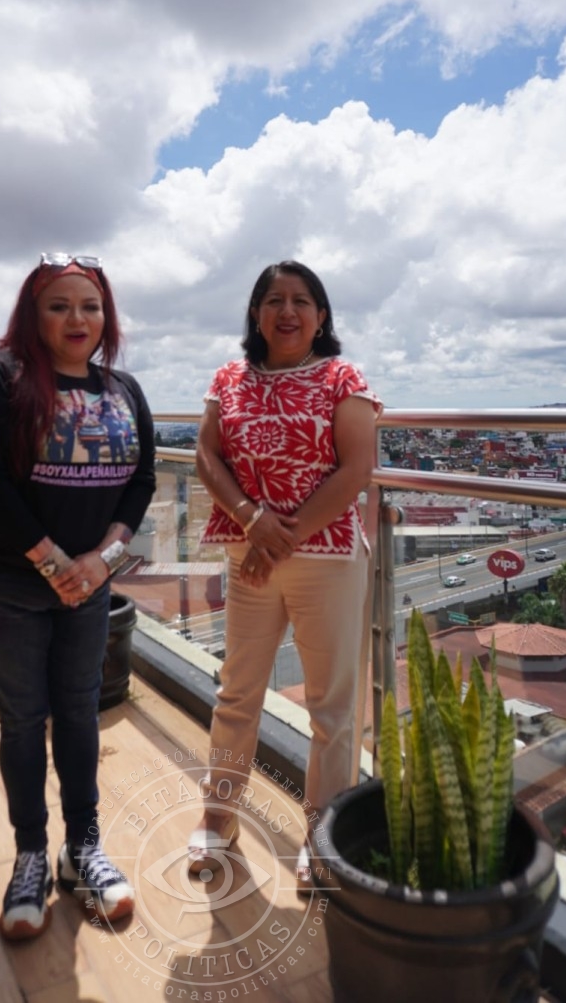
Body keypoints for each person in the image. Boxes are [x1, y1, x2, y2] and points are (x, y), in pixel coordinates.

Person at [0, 253, 156, 941]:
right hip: (8, 579)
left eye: (90, 306)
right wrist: (53, 563)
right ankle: (31, 856)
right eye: (59, 305)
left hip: (89, 584)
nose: (78, 318)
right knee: (21, 717)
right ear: (32, 315)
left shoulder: (123, 388)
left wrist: (101, 562)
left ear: (106, 317)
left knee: (78, 710)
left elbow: (141, 483)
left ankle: (82, 849)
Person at [190, 260, 381, 892]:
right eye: (274, 300)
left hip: (325, 559)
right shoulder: (229, 378)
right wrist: (253, 521)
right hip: (249, 550)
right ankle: (218, 816)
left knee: (332, 706)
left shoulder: (342, 377)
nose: (288, 311)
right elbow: (206, 455)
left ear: (321, 316)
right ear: (256, 314)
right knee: (237, 691)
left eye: (302, 301)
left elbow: (355, 470)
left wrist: (278, 538)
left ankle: (324, 837)